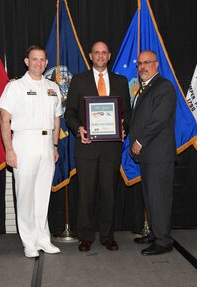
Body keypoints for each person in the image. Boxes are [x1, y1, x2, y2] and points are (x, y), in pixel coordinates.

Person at [64, 41, 131, 252]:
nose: (100, 56)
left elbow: (128, 113)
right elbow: (70, 113)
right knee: (86, 194)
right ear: (90, 56)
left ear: (109, 55)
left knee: (109, 193)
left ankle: (107, 236)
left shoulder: (121, 81)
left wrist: (123, 126)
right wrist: (79, 129)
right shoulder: (79, 80)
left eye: (104, 52)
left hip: (111, 148)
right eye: (96, 53)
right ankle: (85, 236)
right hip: (86, 147)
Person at [0, 45, 62, 258]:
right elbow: (4, 119)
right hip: (24, 142)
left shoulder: (53, 87)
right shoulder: (15, 87)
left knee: (42, 194)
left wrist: (54, 145)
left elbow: (56, 118)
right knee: (25, 195)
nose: (39, 63)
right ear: (27, 62)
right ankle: (28, 242)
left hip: (46, 143)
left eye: (43, 59)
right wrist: (9, 150)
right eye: (35, 59)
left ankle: (43, 239)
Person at [129, 50, 176, 256]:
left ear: (157, 65)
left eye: (147, 62)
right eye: (139, 63)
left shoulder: (164, 87)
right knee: (150, 197)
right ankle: (156, 233)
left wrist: (139, 141)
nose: (142, 67)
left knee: (159, 198)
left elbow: (158, 120)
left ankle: (164, 241)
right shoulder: (146, 88)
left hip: (158, 154)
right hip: (149, 155)